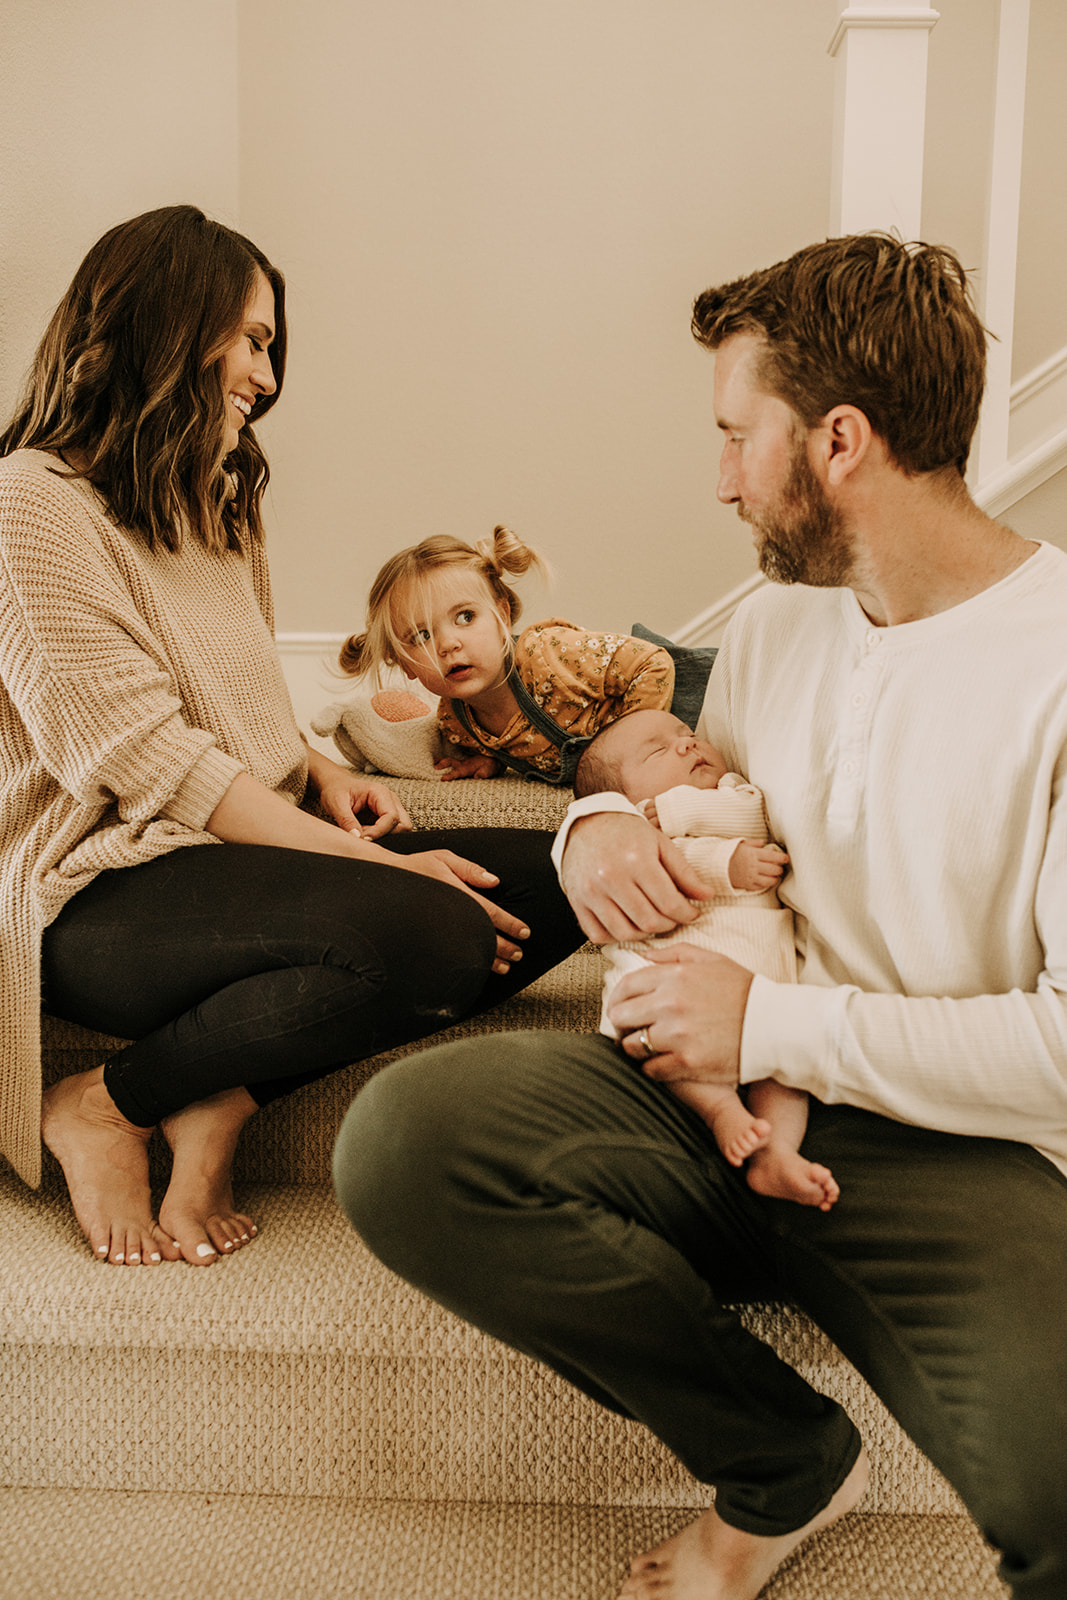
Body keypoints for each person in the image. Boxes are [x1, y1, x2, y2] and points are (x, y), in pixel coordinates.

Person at [334, 232, 1067, 1600]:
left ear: (836, 440)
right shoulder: (782, 622)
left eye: (738, 435)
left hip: (959, 1152)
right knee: (404, 1142)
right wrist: (593, 823)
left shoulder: (1053, 660)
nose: (717, 474)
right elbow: (689, 801)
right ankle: (779, 1457)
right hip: (703, 1090)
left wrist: (773, 1018)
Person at [0, 204, 582, 1271]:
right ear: (174, 323)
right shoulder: (28, 504)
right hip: (95, 893)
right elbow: (145, 758)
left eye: (271, 348)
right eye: (253, 340)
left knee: (559, 874)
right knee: (439, 927)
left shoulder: (217, 499)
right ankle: (103, 1103)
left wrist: (314, 768)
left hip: (225, 856)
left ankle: (218, 1091)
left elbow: (226, 702)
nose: (266, 378)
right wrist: (371, 864)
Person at [574, 708, 838, 1210]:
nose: (686, 745)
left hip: (762, 979)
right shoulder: (635, 836)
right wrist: (721, 860)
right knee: (667, 1043)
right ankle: (720, 1113)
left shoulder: (731, 793)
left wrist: (681, 818)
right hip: (666, 971)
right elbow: (672, 872)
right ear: (623, 801)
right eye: (658, 750)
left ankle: (775, 1153)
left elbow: (750, 817)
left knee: (786, 1072)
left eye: (687, 734)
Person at [336, 528, 675, 785]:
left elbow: (653, 664)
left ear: (502, 616)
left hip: (692, 703)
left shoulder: (549, 655)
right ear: (404, 664)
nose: (448, 644)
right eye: (421, 636)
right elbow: (525, 740)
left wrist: (638, 751)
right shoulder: (458, 724)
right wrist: (494, 760)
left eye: (465, 617)